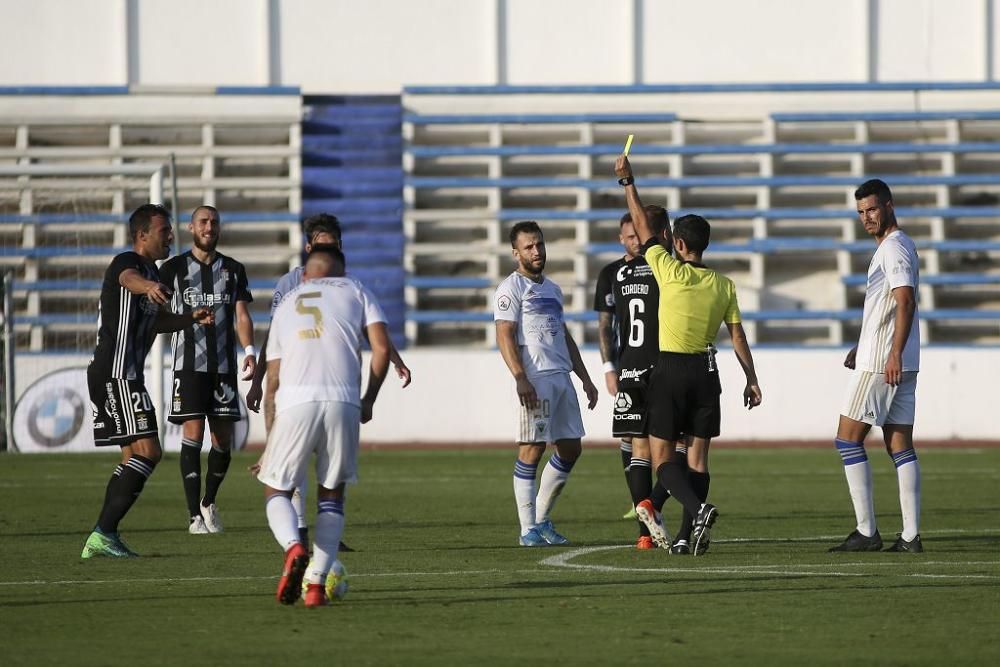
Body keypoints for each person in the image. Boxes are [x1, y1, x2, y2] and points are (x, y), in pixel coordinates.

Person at [614, 155, 763, 556]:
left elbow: (643, 228)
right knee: (697, 460)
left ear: (678, 244)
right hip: (706, 372)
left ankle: (698, 510)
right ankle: (683, 538)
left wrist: (628, 182)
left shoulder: (667, 268)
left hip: (670, 369)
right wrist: (751, 379)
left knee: (663, 459)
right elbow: (737, 337)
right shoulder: (725, 285)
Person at [247, 213, 411, 550]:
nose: (330, 253)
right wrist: (259, 379)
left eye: (334, 247)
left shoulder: (345, 284)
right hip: (326, 390)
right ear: (309, 249)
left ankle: (301, 542)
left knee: (301, 473)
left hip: (305, 393)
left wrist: (395, 359)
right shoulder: (294, 285)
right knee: (312, 479)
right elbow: (274, 339)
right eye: (323, 247)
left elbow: (369, 330)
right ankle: (306, 538)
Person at [257, 244, 390, 606]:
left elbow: (272, 383)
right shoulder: (356, 290)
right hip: (343, 401)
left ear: (306, 274)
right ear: (340, 273)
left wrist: (271, 443)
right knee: (332, 494)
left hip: (294, 402)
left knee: (276, 489)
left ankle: (292, 546)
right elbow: (381, 349)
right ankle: (316, 586)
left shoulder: (286, 303)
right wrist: (369, 399)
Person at [81, 204, 215, 559]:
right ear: (142, 236)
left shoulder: (151, 272)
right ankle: (102, 532)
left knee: (132, 456)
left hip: (120, 373)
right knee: (150, 452)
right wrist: (147, 286)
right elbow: (128, 280)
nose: (170, 236)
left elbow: (155, 325)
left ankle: (105, 535)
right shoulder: (128, 263)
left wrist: (189, 319)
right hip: (117, 372)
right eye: (164, 231)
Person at [829, 179, 922, 553]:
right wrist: (862, 342)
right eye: (861, 212)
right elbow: (888, 307)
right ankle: (911, 537)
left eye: (872, 209)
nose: (867, 217)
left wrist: (891, 353)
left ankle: (867, 531)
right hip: (897, 359)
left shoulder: (893, 249)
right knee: (899, 444)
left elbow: (905, 302)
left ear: (889, 206)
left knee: (847, 439)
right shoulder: (900, 245)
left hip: (883, 364)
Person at [494, 221, 599, 547]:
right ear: (516, 253)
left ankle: (541, 520)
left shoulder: (552, 289)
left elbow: (563, 335)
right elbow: (504, 335)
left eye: (539, 244)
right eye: (529, 247)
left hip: (561, 377)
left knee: (571, 448)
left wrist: (584, 377)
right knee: (532, 448)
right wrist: (520, 377)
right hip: (536, 379)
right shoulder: (510, 289)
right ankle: (528, 530)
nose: (536, 251)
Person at [159, 205, 255, 534]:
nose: (209, 226)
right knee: (193, 433)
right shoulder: (171, 269)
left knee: (223, 439)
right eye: (203, 221)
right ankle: (193, 517)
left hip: (224, 366)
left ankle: (208, 501)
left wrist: (250, 350)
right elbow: (156, 315)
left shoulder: (233, 270)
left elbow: (242, 315)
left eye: (214, 221)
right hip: (188, 366)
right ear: (191, 227)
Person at [606, 208, 679, 550]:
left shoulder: (618, 273)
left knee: (638, 448)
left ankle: (644, 535)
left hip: (629, 365)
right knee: (680, 447)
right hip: (662, 364)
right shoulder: (663, 266)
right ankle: (653, 504)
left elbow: (612, 323)